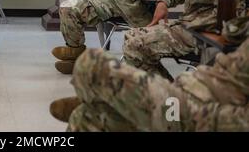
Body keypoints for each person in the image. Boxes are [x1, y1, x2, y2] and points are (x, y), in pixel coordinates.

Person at [50, 32, 249, 131]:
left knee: (91, 63)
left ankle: (106, 100)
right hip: (192, 89)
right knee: (86, 117)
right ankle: (103, 102)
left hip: (192, 113)